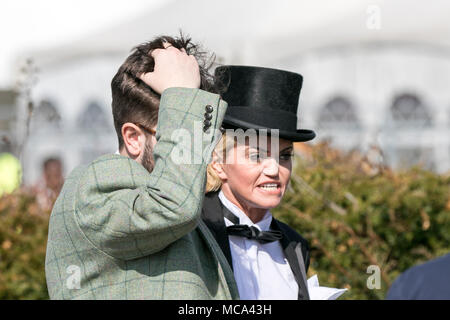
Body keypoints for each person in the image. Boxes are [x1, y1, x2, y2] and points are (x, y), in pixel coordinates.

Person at [45, 35, 239, 300]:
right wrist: (184, 95)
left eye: (203, 139)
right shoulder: (93, 189)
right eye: (182, 137)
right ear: (133, 138)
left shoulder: (175, 193)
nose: (199, 153)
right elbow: (173, 207)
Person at [202, 65, 316, 300]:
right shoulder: (193, 232)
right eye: (257, 156)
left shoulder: (295, 245)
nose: (275, 169)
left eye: (285, 155)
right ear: (218, 163)